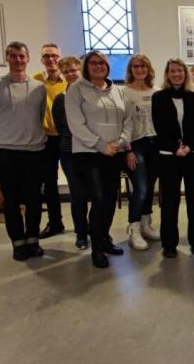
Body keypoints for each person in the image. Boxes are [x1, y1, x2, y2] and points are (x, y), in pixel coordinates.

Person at [65, 51, 132, 269]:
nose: (98, 66)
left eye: (102, 63)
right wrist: (101, 145)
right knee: (99, 198)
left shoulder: (118, 91)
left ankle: (104, 239)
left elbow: (128, 120)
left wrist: (120, 142)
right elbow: (75, 124)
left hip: (114, 153)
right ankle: (96, 248)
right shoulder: (76, 89)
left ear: (108, 66)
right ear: (86, 66)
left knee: (110, 199)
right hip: (89, 154)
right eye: (93, 63)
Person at [0, 41, 47, 261]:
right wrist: (6, 136)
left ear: (27, 58)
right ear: (7, 58)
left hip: (34, 151)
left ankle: (33, 240)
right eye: (13, 56)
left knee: (34, 199)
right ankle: (18, 243)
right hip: (7, 151)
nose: (18, 60)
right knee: (11, 200)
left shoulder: (39, 87)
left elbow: (39, 116)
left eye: (21, 56)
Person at [152, 59, 194, 259]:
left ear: (185, 74)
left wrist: (189, 146)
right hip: (169, 157)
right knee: (169, 203)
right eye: (173, 71)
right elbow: (158, 126)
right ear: (167, 74)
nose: (176, 74)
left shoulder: (193, 97)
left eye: (180, 71)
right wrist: (175, 148)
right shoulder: (159, 97)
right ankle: (169, 245)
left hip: (193, 155)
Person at [123, 54, 161, 250]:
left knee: (150, 186)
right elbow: (122, 122)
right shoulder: (124, 92)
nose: (140, 69)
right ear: (131, 69)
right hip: (134, 145)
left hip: (154, 144)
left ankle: (146, 225)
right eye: (136, 66)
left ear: (148, 69)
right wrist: (128, 150)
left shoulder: (156, 92)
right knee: (141, 187)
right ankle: (134, 228)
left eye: (143, 66)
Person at [53, 56, 88, 249]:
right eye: (65, 72)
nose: (70, 74)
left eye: (73, 70)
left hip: (92, 150)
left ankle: (99, 231)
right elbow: (61, 128)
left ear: (81, 70)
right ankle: (81, 233)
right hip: (69, 151)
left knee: (97, 194)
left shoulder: (91, 95)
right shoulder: (61, 99)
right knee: (77, 193)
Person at [34, 43, 67, 239]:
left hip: (68, 137)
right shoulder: (35, 81)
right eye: (46, 56)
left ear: (60, 58)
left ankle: (84, 225)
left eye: (54, 55)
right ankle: (55, 222)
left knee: (77, 180)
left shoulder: (70, 80)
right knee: (49, 182)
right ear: (42, 60)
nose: (51, 59)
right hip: (46, 138)